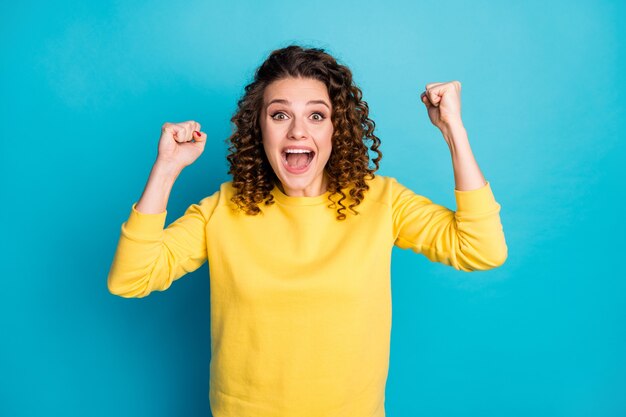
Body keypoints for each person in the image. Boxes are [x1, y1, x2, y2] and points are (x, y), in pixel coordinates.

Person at [107, 44, 507, 417]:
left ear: (337, 129)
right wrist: (167, 169)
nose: (298, 131)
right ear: (258, 129)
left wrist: (453, 130)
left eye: (316, 115)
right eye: (280, 115)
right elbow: (131, 278)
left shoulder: (382, 202)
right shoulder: (223, 209)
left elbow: (481, 249)